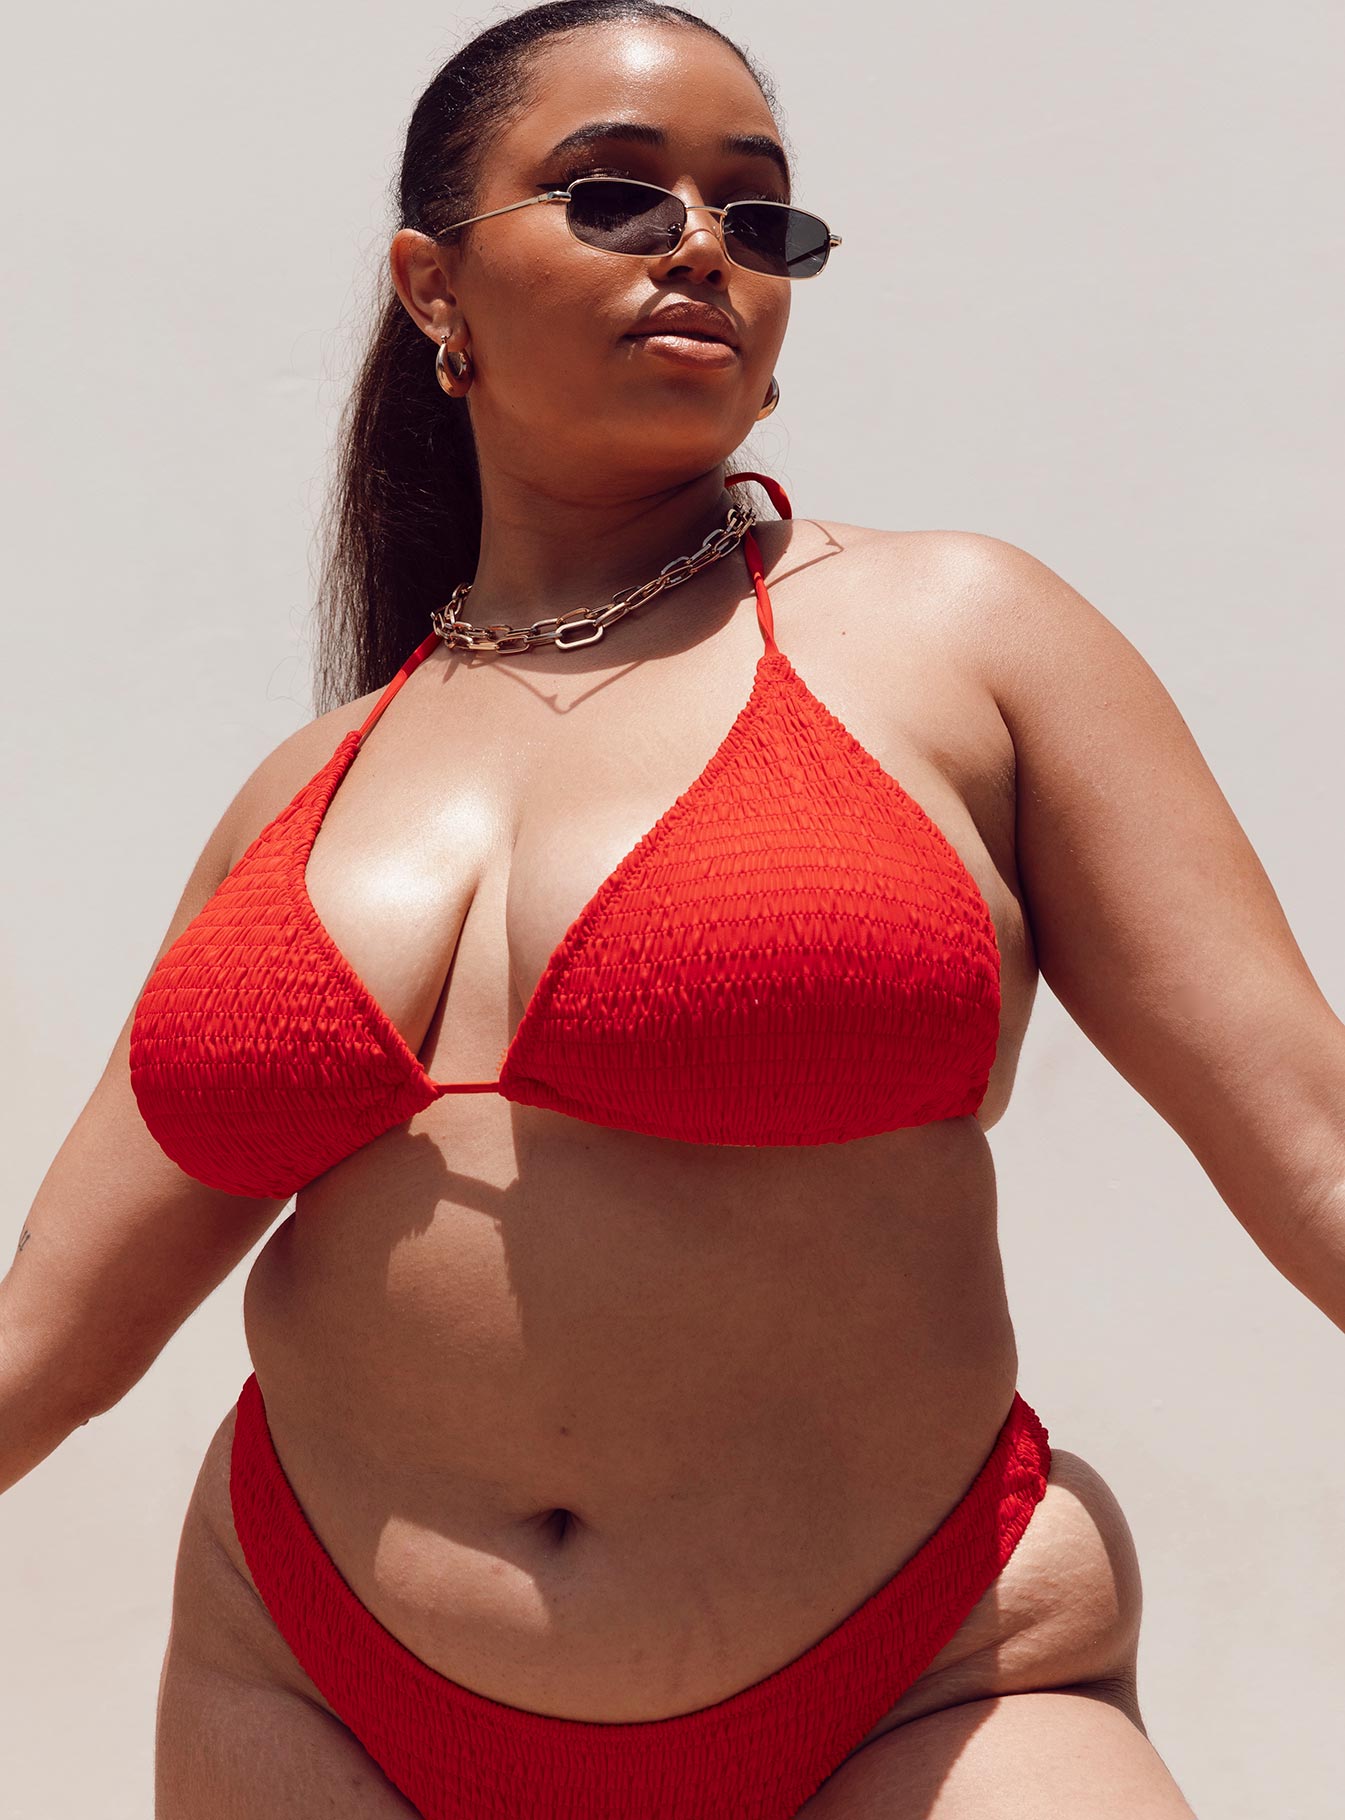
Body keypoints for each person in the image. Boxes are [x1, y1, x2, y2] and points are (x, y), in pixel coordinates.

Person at [9, 2, 1343, 1815]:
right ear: (432, 287)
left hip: (927, 1689)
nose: (704, 245)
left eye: (757, 213)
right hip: (317, 1695)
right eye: (616, 195)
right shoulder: (301, 793)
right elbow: (49, 1338)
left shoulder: (961, 638)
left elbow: (1313, 1150)